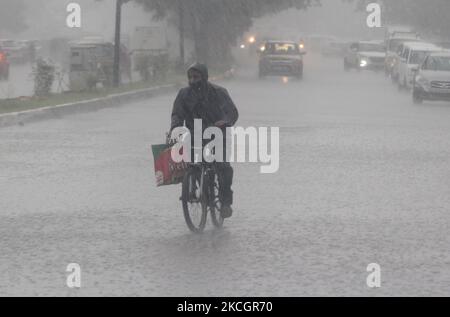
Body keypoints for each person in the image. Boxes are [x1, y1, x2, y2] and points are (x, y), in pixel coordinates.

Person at [169, 63, 238, 218]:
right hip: (194, 135)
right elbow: (177, 115)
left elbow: (232, 112)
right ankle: (194, 185)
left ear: (205, 78)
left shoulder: (219, 93)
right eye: (190, 78)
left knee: (223, 168)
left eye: (196, 77)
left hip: (217, 135)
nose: (193, 81)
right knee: (189, 163)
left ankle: (226, 202)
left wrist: (225, 122)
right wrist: (176, 129)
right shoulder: (184, 94)